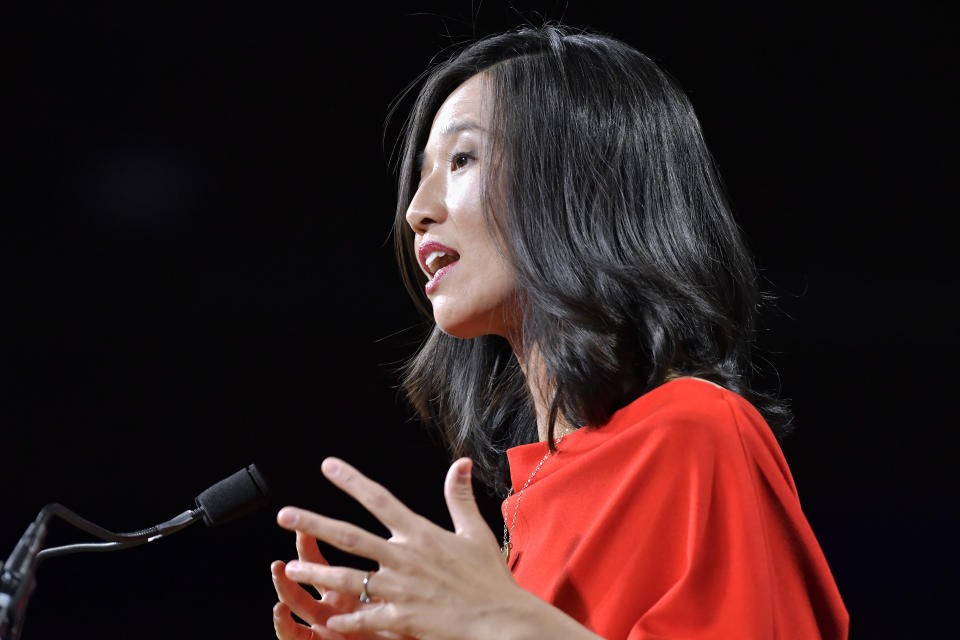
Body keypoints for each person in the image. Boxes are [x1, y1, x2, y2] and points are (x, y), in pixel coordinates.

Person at [270, 25, 849, 639]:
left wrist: (500, 622)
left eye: (462, 159)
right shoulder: (536, 489)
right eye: (423, 171)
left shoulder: (695, 431)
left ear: (575, 182)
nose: (417, 208)